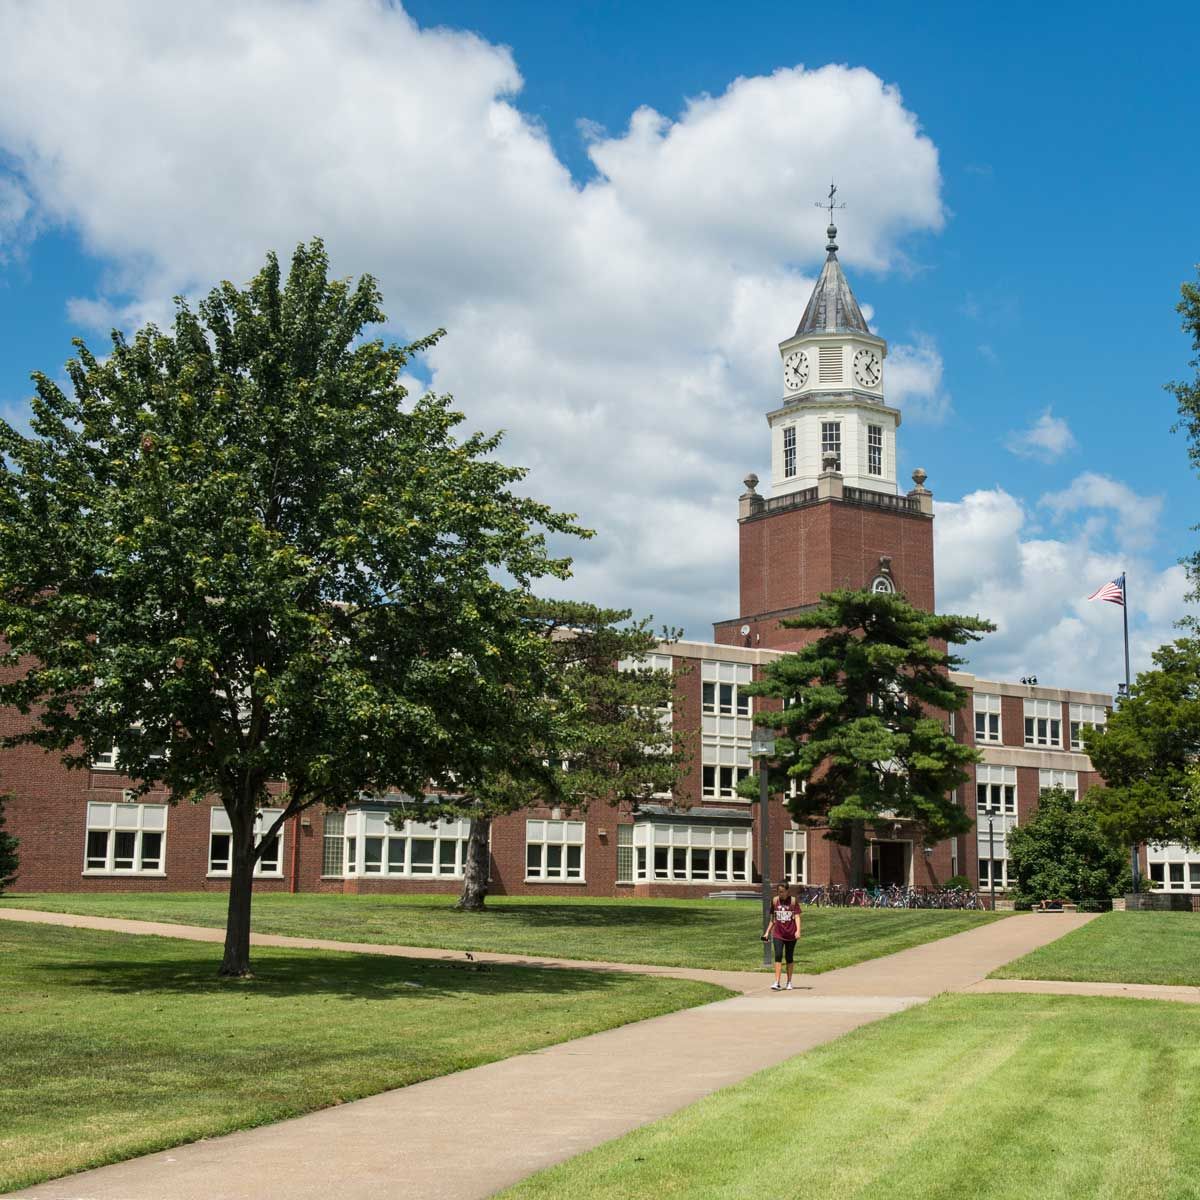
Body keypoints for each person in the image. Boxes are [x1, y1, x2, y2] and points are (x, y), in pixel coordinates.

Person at [762, 882, 802, 990]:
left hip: (791, 934)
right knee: (778, 956)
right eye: (778, 891)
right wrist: (767, 933)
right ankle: (777, 982)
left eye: (782, 891)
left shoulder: (793, 901)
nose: (780, 893)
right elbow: (773, 920)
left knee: (789, 957)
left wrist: (798, 931)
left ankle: (789, 982)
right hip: (778, 934)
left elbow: (797, 917)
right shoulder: (775, 901)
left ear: (787, 891)